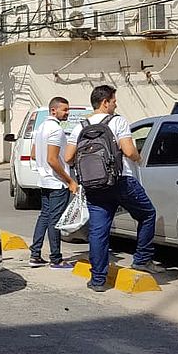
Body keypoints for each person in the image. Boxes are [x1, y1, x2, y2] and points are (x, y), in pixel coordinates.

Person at [65, 85, 160, 291]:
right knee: (147, 214)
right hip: (121, 181)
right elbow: (128, 150)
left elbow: (68, 157)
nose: (116, 104)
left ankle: (98, 280)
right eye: (114, 100)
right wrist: (138, 157)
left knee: (99, 232)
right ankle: (142, 259)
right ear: (105, 102)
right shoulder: (118, 121)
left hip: (93, 186)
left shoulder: (80, 126)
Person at [28, 97, 78, 270]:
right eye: (64, 109)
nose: (67, 113)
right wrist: (69, 180)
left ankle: (35, 254)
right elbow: (52, 159)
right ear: (53, 111)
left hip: (44, 180)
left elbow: (34, 154)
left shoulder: (41, 128)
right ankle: (56, 259)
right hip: (57, 183)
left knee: (45, 216)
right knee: (55, 220)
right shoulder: (56, 130)